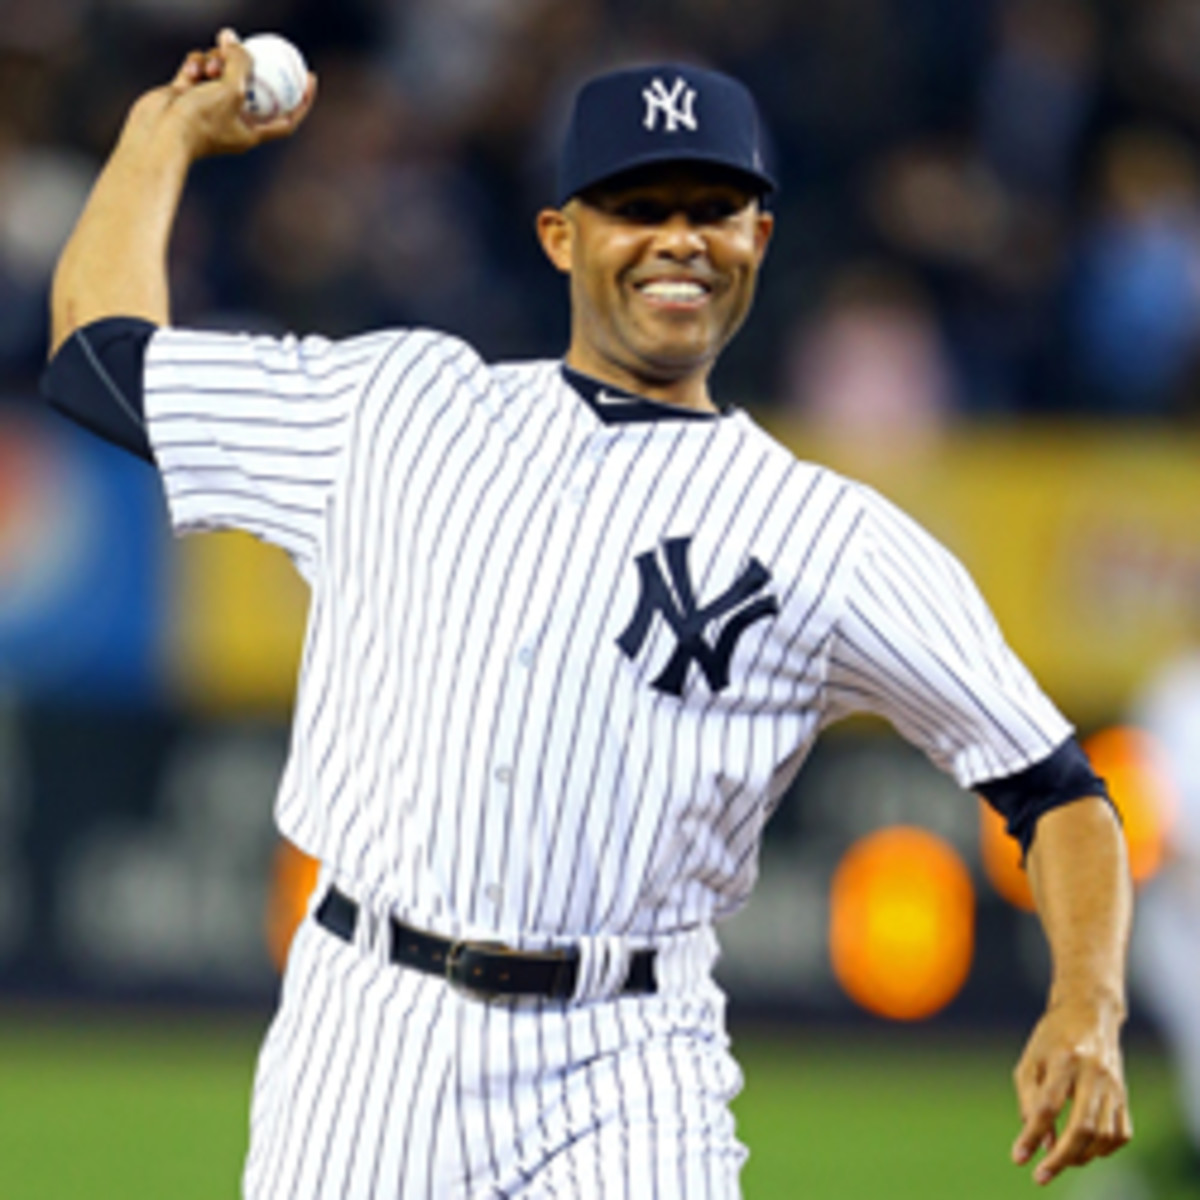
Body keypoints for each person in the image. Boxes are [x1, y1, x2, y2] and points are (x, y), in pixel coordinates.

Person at [41, 31, 1134, 1199]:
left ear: (760, 240)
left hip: (630, 1060)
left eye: (714, 209)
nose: (680, 239)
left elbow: (1056, 788)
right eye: (637, 207)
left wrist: (1089, 1002)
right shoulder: (396, 407)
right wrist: (161, 135)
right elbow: (100, 364)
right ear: (560, 235)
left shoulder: (829, 538)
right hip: (367, 1035)